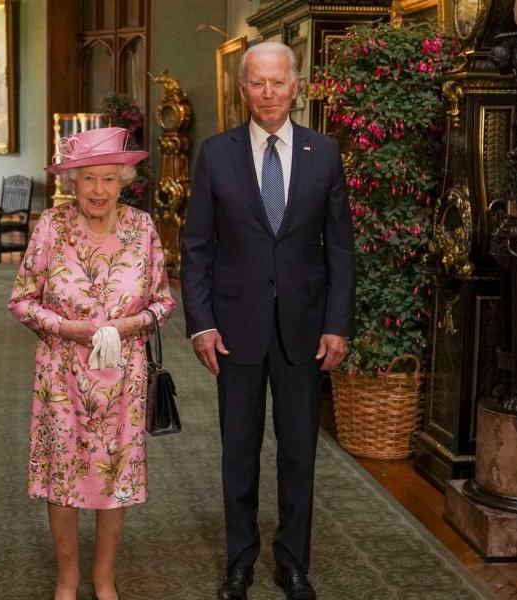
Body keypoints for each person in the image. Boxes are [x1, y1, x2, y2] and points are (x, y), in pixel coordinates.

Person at [180, 42, 354, 600]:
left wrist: (338, 323)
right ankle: (240, 561)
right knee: (239, 451)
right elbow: (196, 247)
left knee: (299, 452)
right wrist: (200, 323)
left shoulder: (324, 153)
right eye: (258, 83)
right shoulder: (216, 152)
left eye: (279, 82)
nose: (269, 93)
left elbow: (341, 252)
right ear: (242, 87)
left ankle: (292, 562)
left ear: (296, 85)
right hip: (235, 330)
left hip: (306, 330)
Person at [9, 127, 176, 600]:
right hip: (61, 373)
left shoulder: (142, 228)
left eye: (108, 179)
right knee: (63, 477)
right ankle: (67, 578)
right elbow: (22, 302)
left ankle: (104, 577)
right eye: (88, 180)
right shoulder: (50, 226)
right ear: (74, 182)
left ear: (123, 180)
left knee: (114, 474)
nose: (98, 190)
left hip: (123, 375)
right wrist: (68, 328)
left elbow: (163, 302)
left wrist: (127, 326)